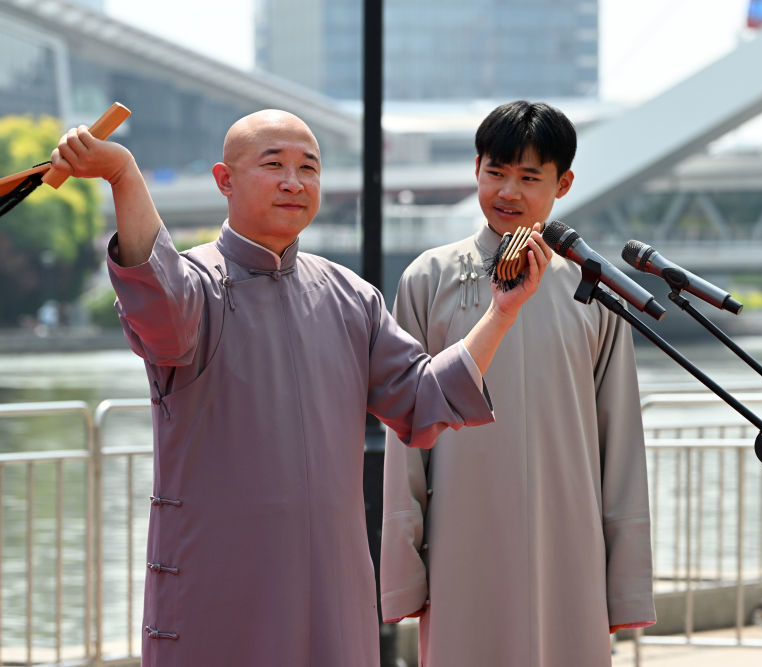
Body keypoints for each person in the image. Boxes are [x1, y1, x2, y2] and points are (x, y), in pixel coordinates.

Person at [48, 108, 552, 667]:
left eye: (309, 167)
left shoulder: (350, 297)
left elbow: (421, 398)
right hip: (220, 583)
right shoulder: (195, 287)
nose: (294, 181)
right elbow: (159, 306)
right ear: (224, 180)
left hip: (331, 588)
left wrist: (502, 313)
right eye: (274, 164)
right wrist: (123, 174)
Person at [380, 100, 655, 666]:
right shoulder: (427, 279)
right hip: (459, 538)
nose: (508, 191)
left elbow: (620, 440)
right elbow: (403, 436)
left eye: (529, 177)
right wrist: (405, 572)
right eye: (495, 173)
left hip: (569, 542)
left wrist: (624, 580)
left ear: (564, 184)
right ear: (476, 170)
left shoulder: (593, 290)